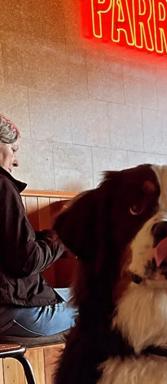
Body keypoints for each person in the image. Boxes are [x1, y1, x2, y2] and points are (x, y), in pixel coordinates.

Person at [0, 114, 76, 343]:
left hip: (10, 307)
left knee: (85, 294)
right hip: (12, 312)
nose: (16, 161)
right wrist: (63, 236)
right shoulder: (2, 185)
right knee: (103, 305)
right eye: (14, 150)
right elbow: (26, 260)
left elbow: (13, 247)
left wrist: (53, 238)